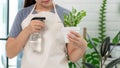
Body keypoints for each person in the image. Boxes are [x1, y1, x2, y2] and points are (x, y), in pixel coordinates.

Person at [6, 0, 87, 68]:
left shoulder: (66, 15)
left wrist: (83, 46)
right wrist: (27, 30)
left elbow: (72, 57)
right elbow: (10, 53)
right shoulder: (22, 14)